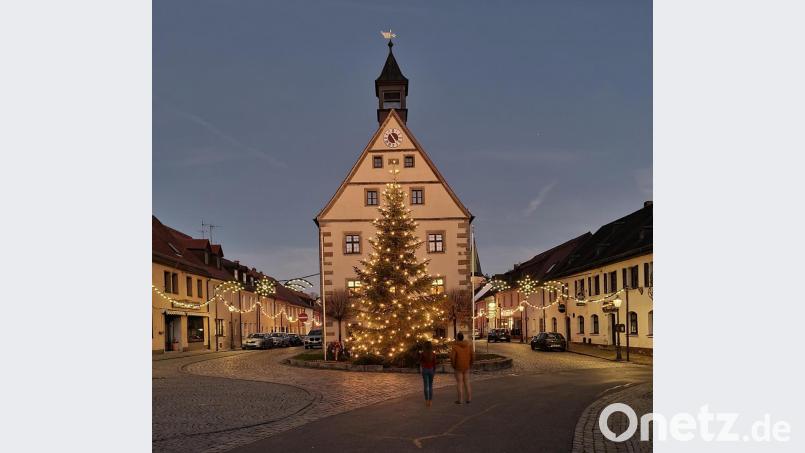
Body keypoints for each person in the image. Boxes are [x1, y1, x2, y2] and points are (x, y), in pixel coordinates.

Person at [449, 332, 473, 404]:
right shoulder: (468, 345)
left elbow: (452, 357)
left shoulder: (455, 347)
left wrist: (453, 365)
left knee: (459, 383)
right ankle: (469, 398)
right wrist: (470, 363)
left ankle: (460, 400)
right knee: (467, 382)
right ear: (463, 338)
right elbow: (473, 355)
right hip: (466, 366)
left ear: (457, 338)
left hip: (458, 367)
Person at [419, 341, 437, 407]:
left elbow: (420, 361)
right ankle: (430, 401)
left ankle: (426, 401)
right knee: (430, 386)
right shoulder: (433, 354)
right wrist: (434, 370)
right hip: (431, 370)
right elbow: (435, 363)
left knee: (426, 386)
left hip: (425, 370)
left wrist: (422, 366)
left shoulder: (423, 354)